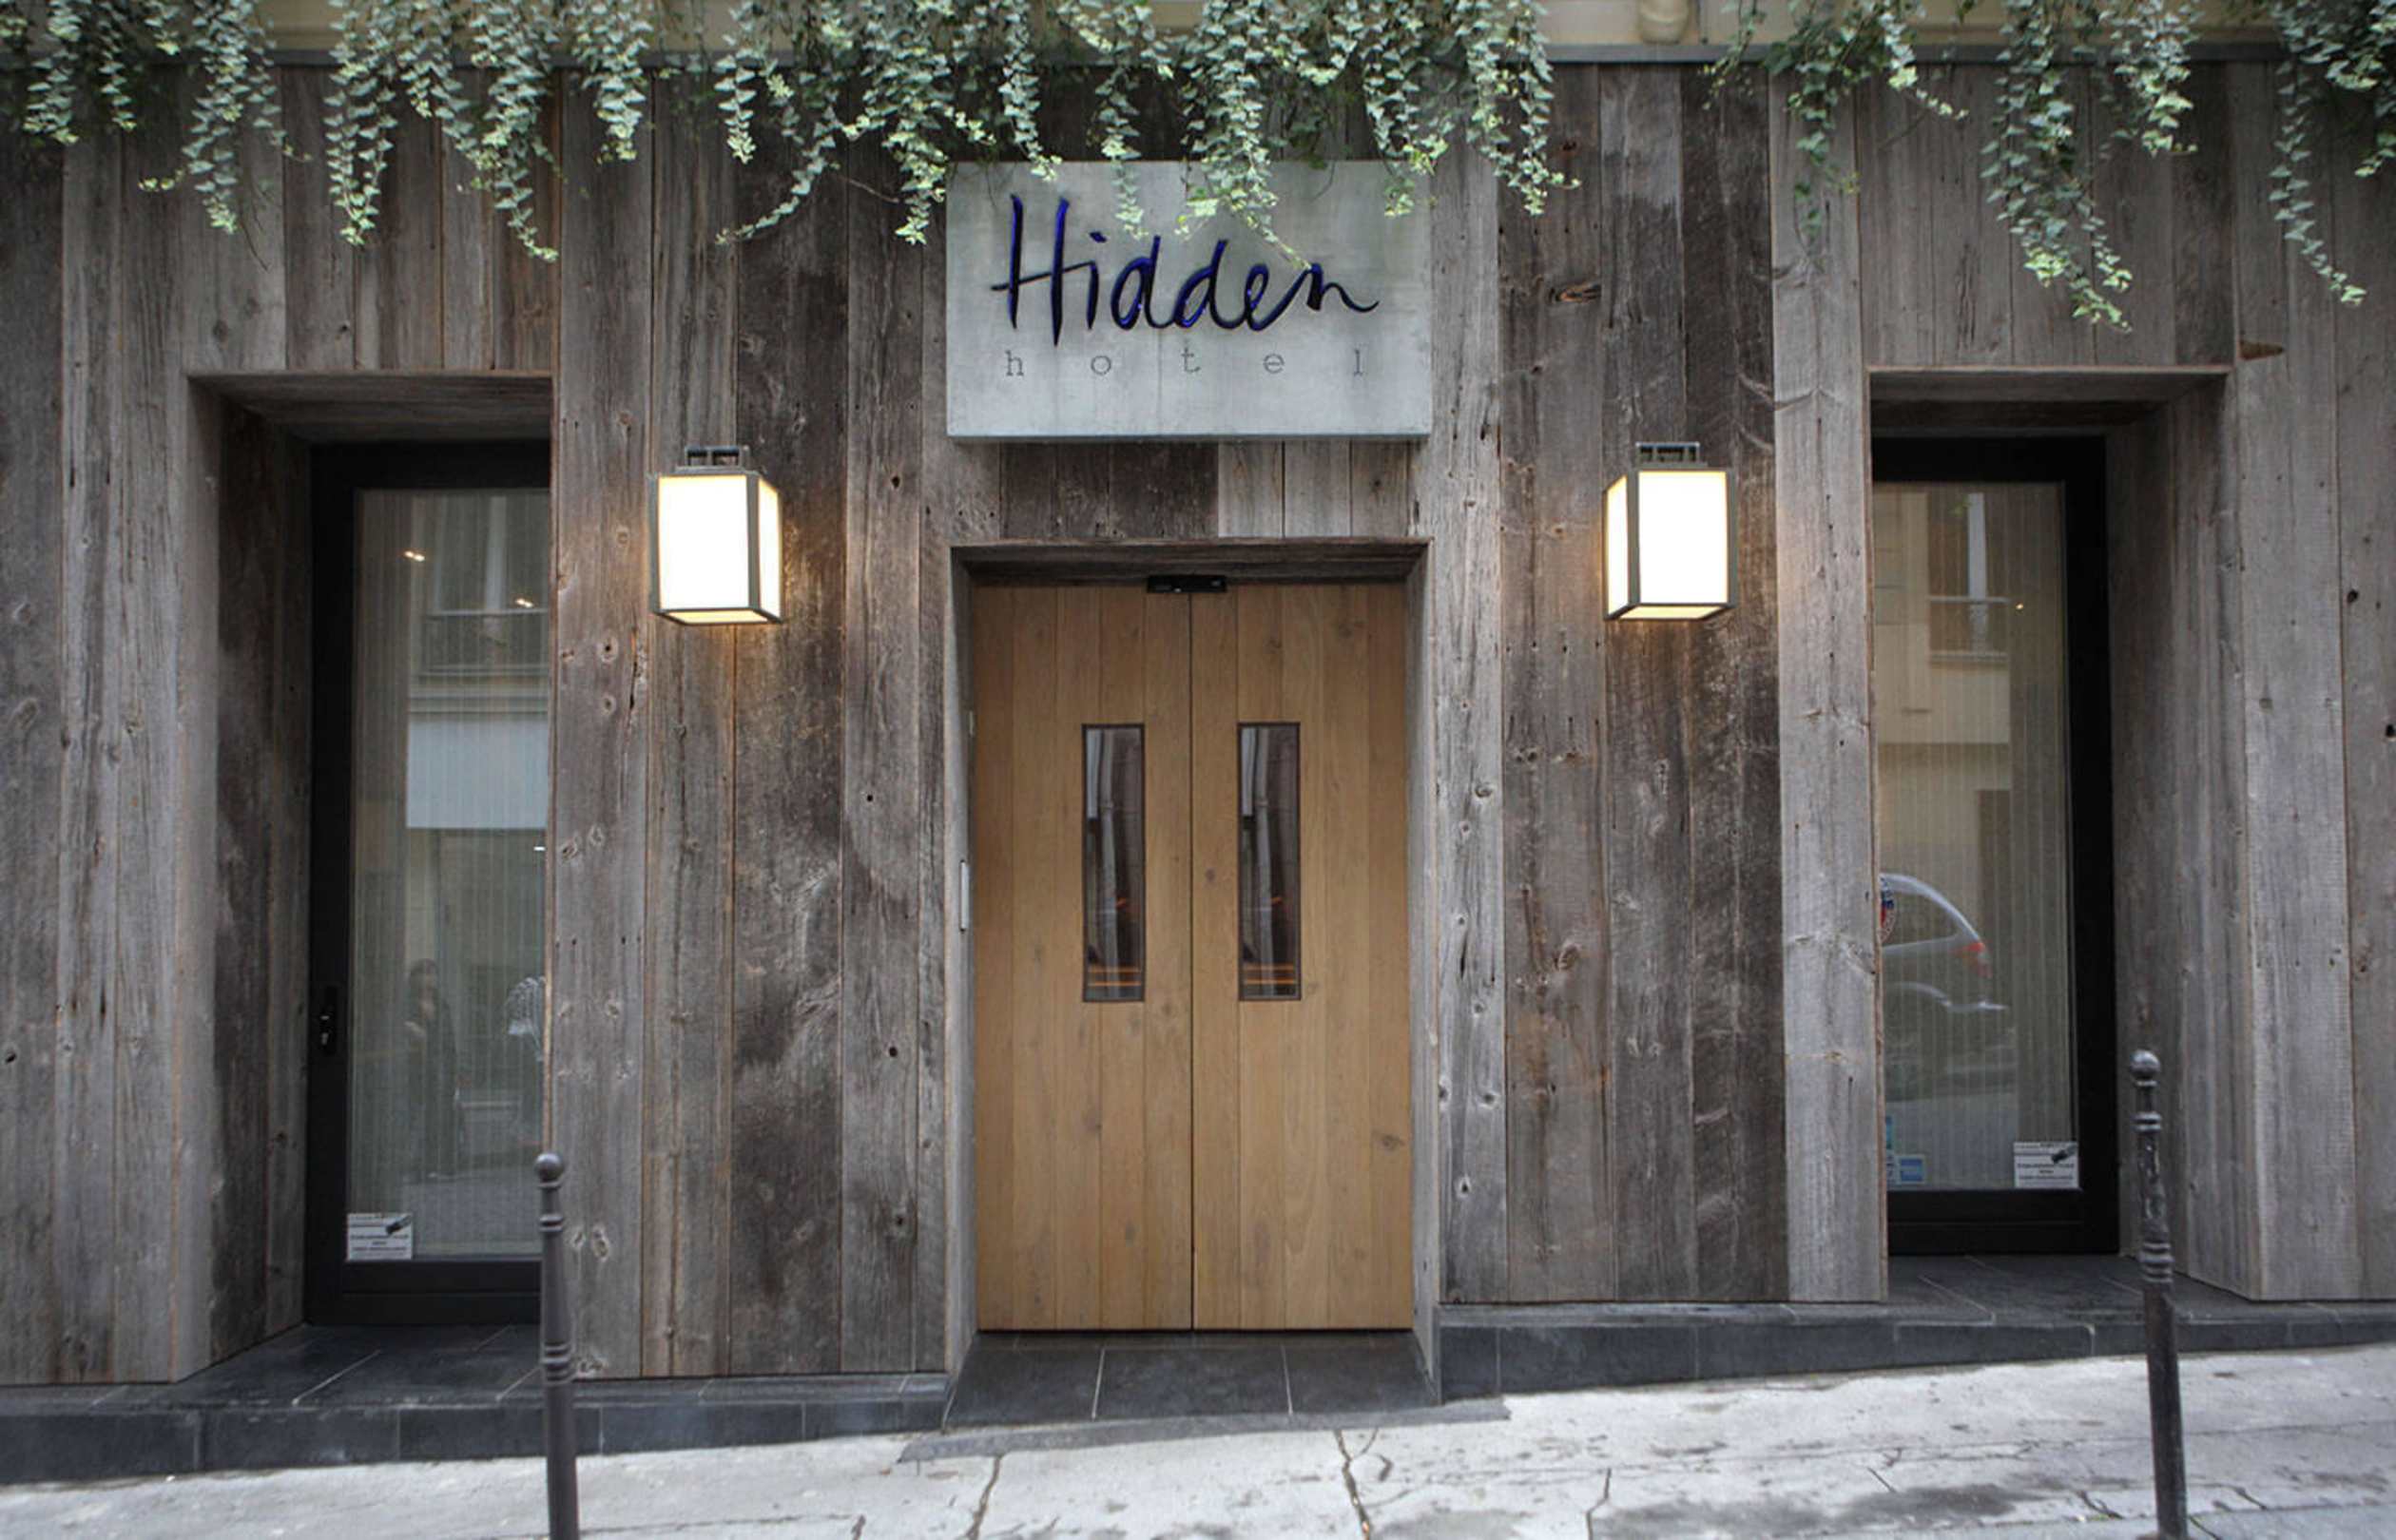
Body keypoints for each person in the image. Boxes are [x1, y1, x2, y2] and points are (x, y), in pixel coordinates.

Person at [403, 959, 459, 1180]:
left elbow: (448, 1037)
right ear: (415, 978)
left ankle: (438, 1165)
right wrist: (410, 1029)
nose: (430, 979)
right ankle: (416, 1165)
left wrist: (453, 1067)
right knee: (416, 1115)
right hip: (415, 1065)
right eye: (425, 974)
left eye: (433, 974)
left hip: (439, 1064)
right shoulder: (407, 1003)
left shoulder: (441, 1003)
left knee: (440, 1114)